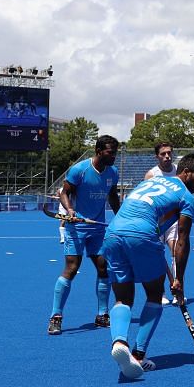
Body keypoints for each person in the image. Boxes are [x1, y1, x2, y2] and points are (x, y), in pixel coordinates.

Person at [103, 153, 194, 378]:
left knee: (123, 297)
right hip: (141, 235)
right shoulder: (186, 197)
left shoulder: (149, 181)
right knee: (154, 293)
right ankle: (139, 355)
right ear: (186, 172)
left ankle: (119, 342)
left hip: (113, 233)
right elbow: (182, 240)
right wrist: (180, 279)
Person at [47, 135, 120, 336]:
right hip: (76, 226)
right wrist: (69, 210)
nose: (113, 156)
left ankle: (102, 314)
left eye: (115, 152)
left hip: (97, 228)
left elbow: (112, 196)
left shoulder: (112, 172)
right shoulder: (80, 170)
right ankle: (56, 316)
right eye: (110, 152)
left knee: (103, 267)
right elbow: (64, 192)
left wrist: (121, 217)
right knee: (71, 268)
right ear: (98, 151)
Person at [145, 142, 179, 303]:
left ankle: (177, 290)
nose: (167, 156)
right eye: (163, 154)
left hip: (173, 220)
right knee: (158, 257)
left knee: (176, 253)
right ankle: (161, 293)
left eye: (169, 153)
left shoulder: (178, 171)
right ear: (157, 156)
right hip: (156, 221)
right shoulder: (151, 175)